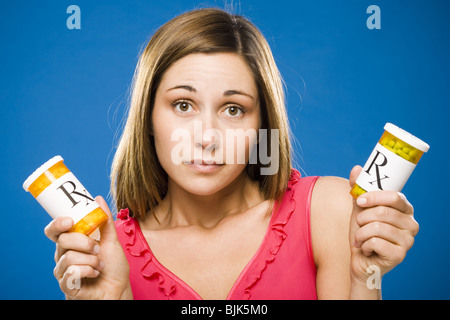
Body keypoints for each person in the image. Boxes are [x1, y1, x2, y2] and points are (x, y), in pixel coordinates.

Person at [44, 8, 418, 300]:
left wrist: (363, 278)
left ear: (262, 125)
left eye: (233, 109)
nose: (207, 137)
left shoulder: (329, 212)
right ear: (148, 119)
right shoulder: (106, 252)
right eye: (183, 105)